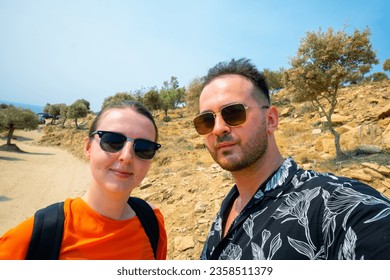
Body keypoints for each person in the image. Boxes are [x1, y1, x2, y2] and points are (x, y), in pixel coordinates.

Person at [194, 58, 390, 260]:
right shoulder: (227, 209)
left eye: (233, 113)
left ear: (270, 120)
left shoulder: (335, 204)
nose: (218, 128)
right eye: (206, 120)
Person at [0, 100, 167, 259]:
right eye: (113, 141)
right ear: (88, 148)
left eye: (144, 148)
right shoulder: (34, 236)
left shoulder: (152, 224)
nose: (126, 156)